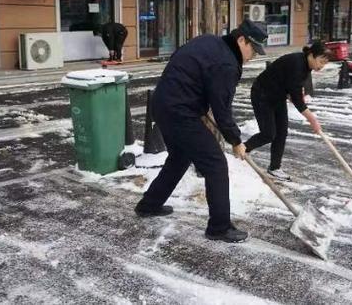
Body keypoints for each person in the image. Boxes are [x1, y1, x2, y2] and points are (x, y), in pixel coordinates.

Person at [135, 20, 268, 243]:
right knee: (216, 164)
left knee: (179, 158)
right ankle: (219, 227)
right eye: (253, 49)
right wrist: (235, 140)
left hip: (163, 104)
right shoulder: (226, 63)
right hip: (180, 112)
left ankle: (149, 204)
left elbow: (188, 70)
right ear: (241, 40)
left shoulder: (210, 41)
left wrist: (195, 98)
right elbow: (222, 108)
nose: (253, 55)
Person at [243, 41, 330, 181]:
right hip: (262, 95)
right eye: (321, 61)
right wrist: (312, 119)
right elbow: (297, 99)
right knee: (268, 133)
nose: (321, 66)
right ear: (312, 55)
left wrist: (291, 92)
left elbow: (290, 85)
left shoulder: (305, 65)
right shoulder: (297, 64)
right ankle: (242, 149)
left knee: (281, 132)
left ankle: (274, 168)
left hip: (277, 96)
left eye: (324, 64)